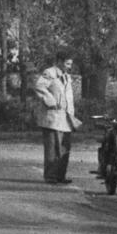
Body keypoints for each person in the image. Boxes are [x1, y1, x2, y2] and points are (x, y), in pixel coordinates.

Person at [32, 52, 78, 184]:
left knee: (64, 148)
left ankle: (60, 176)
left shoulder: (67, 76)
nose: (69, 66)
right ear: (59, 61)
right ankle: (50, 176)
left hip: (66, 118)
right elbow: (39, 86)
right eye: (67, 63)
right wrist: (50, 100)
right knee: (52, 148)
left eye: (70, 64)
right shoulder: (49, 73)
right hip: (53, 117)